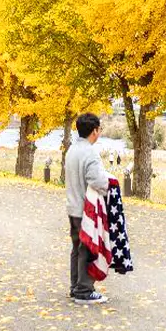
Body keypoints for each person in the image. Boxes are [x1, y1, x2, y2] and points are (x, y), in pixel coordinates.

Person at [65, 113, 111, 304]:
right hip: (87, 209)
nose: (99, 133)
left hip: (73, 206)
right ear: (94, 131)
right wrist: (108, 182)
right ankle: (84, 290)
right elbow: (97, 180)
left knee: (77, 247)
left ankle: (75, 286)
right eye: (99, 129)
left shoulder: (72, 150)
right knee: (88, 248)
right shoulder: (90, 153)